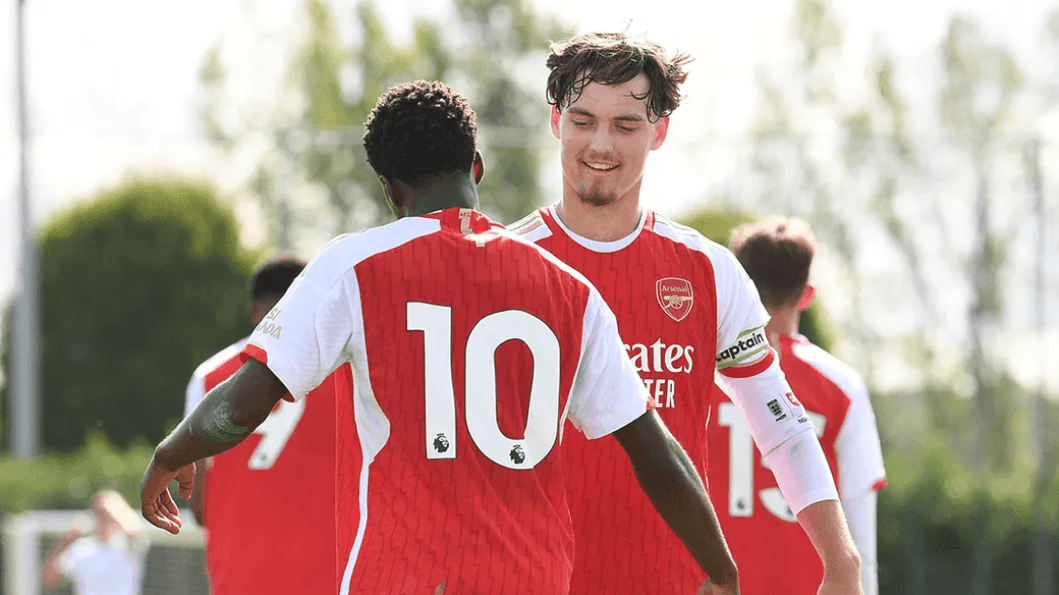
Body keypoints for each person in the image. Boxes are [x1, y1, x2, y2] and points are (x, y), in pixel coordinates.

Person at [141, 80, 740, 595]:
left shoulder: (355, 264)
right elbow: (655, 452)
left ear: (388, 187)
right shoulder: (571, 290)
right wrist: (721, 569)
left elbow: (245, 404)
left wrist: (174, 453)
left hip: (404, 576)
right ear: (476, 167)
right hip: (529, 579)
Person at [509, 32, 862, 594]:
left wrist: (842, 560)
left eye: (625, 125)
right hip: (530, 581)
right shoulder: (503, 264)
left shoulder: (708, 271)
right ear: (556, 121)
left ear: (660, 131)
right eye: (582, 120)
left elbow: (781, 425)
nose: (601, 143)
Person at [708, 217, 886, 594]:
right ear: (807, 294)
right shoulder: (841, 385)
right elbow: (859, 521)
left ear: (737, 287)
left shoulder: (700, 375)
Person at [182, 255, 346, 594]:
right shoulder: (346, 373)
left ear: (255, 312)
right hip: (330, 578)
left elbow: (201, 507)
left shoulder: (209, 377)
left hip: (240, 579)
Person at [42, 490, 147, 595]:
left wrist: (113, 508)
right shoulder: (82, 548)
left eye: (106, 513)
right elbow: (48, 580)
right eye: (99, 512)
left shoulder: (129, 546)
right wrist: (65, 542)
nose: (103, 517)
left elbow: (133, 530)